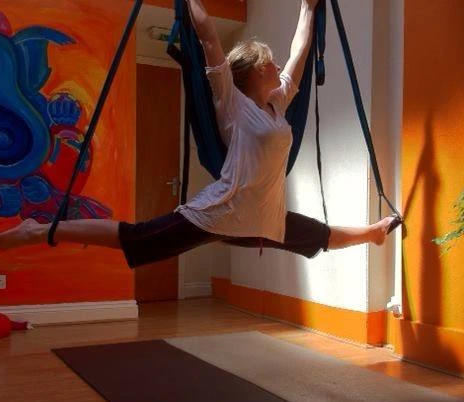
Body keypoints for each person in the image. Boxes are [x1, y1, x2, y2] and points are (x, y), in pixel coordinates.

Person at [0, 0, 400, 267]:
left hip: (265, 220)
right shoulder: (232, 102)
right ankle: (38, 231)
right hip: (220, 213)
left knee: (319, 236)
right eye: (269, 62)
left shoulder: (278, 104)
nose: (276, 65)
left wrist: (307, 7)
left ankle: (375, 234)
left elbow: (299, 52)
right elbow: (207, 34)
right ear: (255, 70)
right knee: (139, 239)